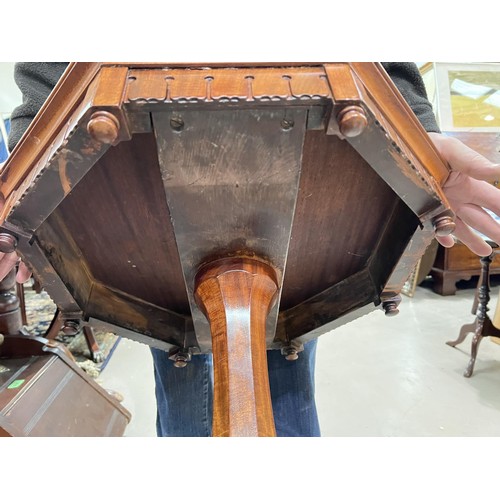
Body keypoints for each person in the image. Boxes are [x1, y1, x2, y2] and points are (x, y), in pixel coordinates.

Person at [1, 62, 499, 437]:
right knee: (194, 371)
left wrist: (414, 129)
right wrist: (23, 193)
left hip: (312, 192)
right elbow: (54, 66)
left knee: (283, 358)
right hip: (139, 202)